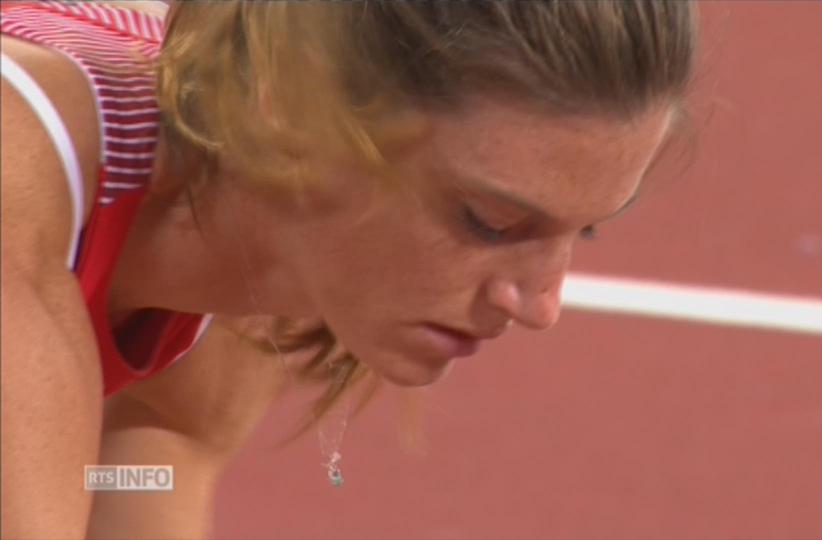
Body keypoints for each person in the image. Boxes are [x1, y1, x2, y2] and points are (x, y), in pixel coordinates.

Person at [0, 1, 697, 538]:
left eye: (588, 228)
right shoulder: (19, 183)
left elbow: (144, 463)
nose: (541, 303)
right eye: (488, 221)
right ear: (295, 117)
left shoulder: (261, 241)